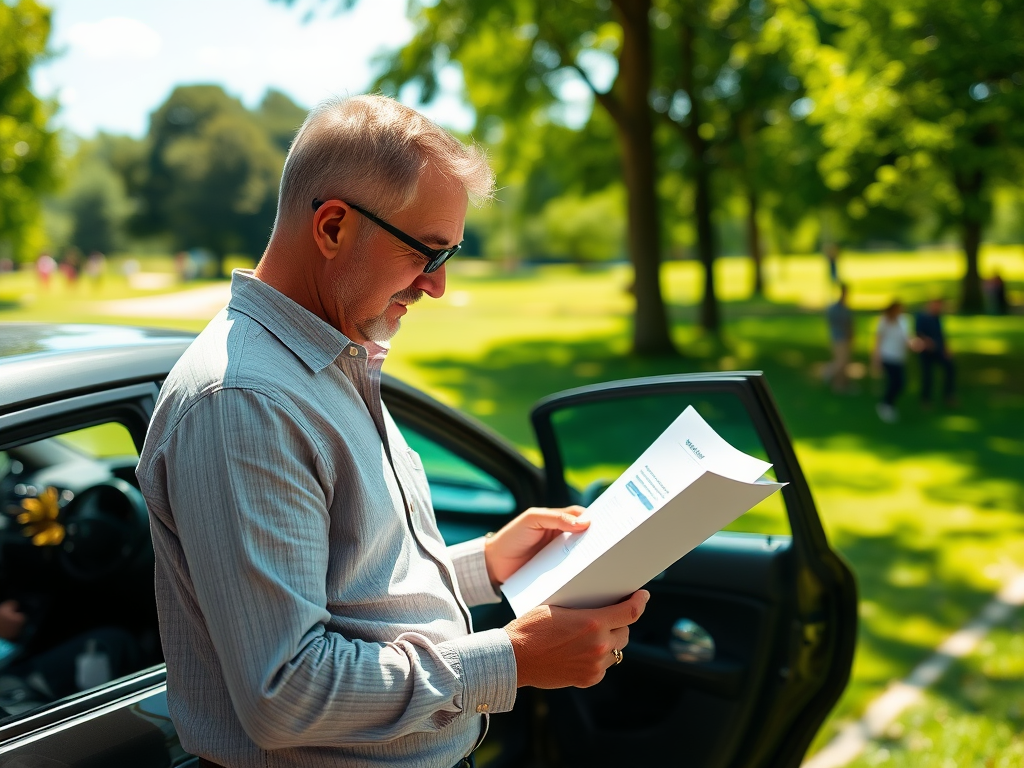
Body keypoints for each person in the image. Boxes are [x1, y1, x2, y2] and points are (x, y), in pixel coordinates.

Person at [136, 95, 647, 768]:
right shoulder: (245, 402)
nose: (436, 286)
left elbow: (351, 584)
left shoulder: (326, 358)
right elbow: (286, 690)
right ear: (333, 228)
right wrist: (514, 659)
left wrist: (487, 563)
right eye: (428, 253)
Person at [872, 300, 917, 423]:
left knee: (900, 384)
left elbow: (907, 338)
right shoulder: (883, 321)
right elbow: (877, 341)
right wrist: (876, 359)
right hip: (888, 356)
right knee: (894, 382)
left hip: (899, 357)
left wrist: (914, 344)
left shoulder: (903, 321)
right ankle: (885, 404)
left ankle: (889, 404)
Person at [915, 297, 956, 407]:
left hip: (938, 350)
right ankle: (925, 400)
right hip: (926, 352)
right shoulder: (922, 317)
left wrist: (946, 348)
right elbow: (918, 333)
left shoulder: (937, 317)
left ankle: (948, 395)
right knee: (927, 376)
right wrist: (927, 342)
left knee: (950, 368)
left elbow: (941, 333)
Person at [822, 283, 854, 393]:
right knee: (839, 362)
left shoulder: (845, 308)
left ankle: (842, 384)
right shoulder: (836, 309)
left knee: (844, 362)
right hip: (838, 338)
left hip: (844, 338)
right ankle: (831, 376)